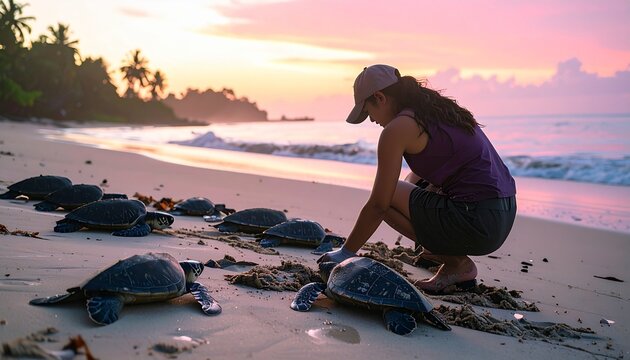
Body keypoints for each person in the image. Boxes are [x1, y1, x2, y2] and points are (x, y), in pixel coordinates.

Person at [318, 64, 517, 293]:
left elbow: (379, 205)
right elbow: (433, 171)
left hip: (478, 221)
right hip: (502, 213)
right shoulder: (435, 112)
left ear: (380, 97)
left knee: (388, 195)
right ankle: (443, 253)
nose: (371, 120)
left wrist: (345, 253)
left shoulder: (397, 129)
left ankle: (457, 264)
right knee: (412, 181)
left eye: (367, 111)